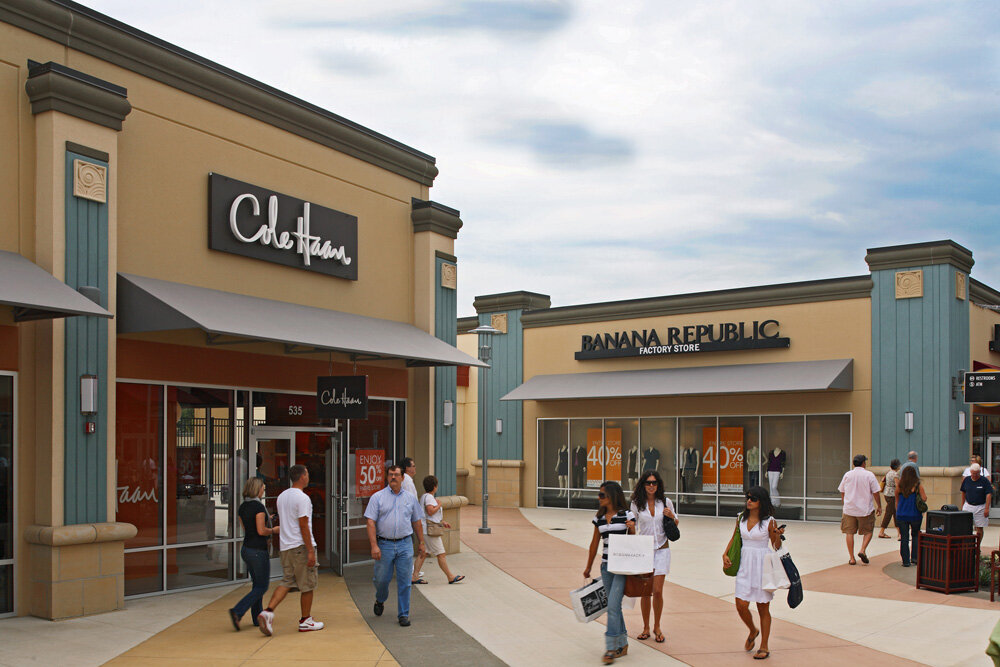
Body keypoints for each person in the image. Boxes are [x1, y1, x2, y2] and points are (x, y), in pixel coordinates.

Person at [257, 464, 323, 635]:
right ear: (302, 477)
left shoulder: (282, 496)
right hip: (300, 546)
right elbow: (303, 525)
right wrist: (310, 550)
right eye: (307, 474)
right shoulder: (303, 498)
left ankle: (268, 611)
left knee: (287, 581)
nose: (308, 477)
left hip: (285, 547)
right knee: (308, 585)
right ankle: (306, 620)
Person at [722, 485, 785, 661]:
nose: (749, 501)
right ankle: (752, 630)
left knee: (763, 607)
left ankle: (764, 645)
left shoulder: (769, 521)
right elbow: (735, 538)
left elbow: (776, 546)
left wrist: (777, 534)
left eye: (753, 498)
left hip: (762, 565)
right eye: (747, 498)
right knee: (740, 604)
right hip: (745, 564)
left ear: (761, 502)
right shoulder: (741, 518)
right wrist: (725, 554)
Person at [364, 464, 426, 627]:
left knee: (405, 581)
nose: (393, 477)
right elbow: (370, 522)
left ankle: (403, 614)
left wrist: (421, 542)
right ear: (387, 477)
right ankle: (380, 599)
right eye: (391, 474)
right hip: (384, 545)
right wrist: (374, 545)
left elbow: (417, 521)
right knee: (381, 580)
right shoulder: (377, 497)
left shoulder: (410, 498)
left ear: (402, 478)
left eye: (396, 475)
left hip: (405, 544)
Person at [583, 481, 635, 664]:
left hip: (621, 567)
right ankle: (623, 643)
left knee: (612, 606)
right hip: (606, 567)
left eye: (602, 495)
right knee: (614, 607)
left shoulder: (626, 514)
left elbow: (634, 542)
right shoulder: (599, 518)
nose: (599, 498)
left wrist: (632, 529)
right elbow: (594, 544)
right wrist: (588, 567)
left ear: (612, 496)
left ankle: (611, 648)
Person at [628, 470, 677, 644]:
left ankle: (657, 626)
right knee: (645, 592)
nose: (651, 486)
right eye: (648, 483)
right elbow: (633, 527)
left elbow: (676, 522)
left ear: (658, 485)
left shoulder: (665, 502)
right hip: (645, 550)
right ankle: (646, 627)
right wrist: (630, 526)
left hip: (662, 548)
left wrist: (671, 516)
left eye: (654, 483)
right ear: (643, 485)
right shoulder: (636, 504)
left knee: (657, 590)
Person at [229, 478, 277, 631]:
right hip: (258, 551)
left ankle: (257, 617)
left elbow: (247, 528)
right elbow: (261, 531)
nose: (263, 490)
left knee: (257, 585)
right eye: (262, 488)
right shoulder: (258, 507)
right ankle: (238, 611)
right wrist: (274, 530)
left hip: (247, 549)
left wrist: (267, 519)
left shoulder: (242, 507)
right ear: (257, 489)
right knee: (262, 586)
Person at [411, 475, 465, 585]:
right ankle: (450, 576)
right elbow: (430, 511)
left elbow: (429, 515)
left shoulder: (424, 497)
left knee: (423, 553)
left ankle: (414, 576)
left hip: (425, 529)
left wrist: (442, 522)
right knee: (441, 554)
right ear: (435, 486)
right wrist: (439, 505)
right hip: (430, 532)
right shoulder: (429, 498)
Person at [838, 454, 882, 565]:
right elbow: (876, 492)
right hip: (865, 509)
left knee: (849, 532)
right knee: (868, 531)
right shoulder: (869, 475)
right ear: (863, 463)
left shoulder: (847, 475)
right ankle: (862, 550)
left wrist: (845, 502)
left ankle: (852, 558)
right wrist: (879, 506)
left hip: (849, 509)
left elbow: (842, 490)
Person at [895, 465, 926, 567]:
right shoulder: (918, 485)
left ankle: (905, 561)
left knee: (904, 537)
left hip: (902, 514)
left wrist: (898, 512)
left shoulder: (899, 486)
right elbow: (924, 498)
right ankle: (915, 558)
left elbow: (897, 501)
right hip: (915, 514)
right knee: (915, 535)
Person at [961, 463, 992, 552]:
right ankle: (968, 546)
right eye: (973, 473)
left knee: (979, 528)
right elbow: (963, 492)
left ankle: (977, 546)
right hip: (968, 505)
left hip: (980, 506)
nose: (974, 475)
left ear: (979, 472)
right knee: (965, 527)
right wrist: (962, 505)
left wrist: (987, 508)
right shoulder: (967, 480)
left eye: (976, 473)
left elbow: (989, 494)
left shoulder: (984, 481)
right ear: (970, 472)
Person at [400, 457, 423, 578]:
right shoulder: (407, 481)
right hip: (409, 518)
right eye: (413, 466)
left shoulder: (407, 480)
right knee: (409, 543)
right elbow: (411, 500)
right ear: (407, 468)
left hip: (408, 517)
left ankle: (411, 569)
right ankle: (410, 571)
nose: (415, 468)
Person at [878, 459, 901, 540]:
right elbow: (897, 485)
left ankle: (899, 533)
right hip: (892, 495)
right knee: (889, 513)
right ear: (897, 466)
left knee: (894, 512)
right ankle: (882, 531)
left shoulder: (888, 472)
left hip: (887, 493)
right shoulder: (895, 474)